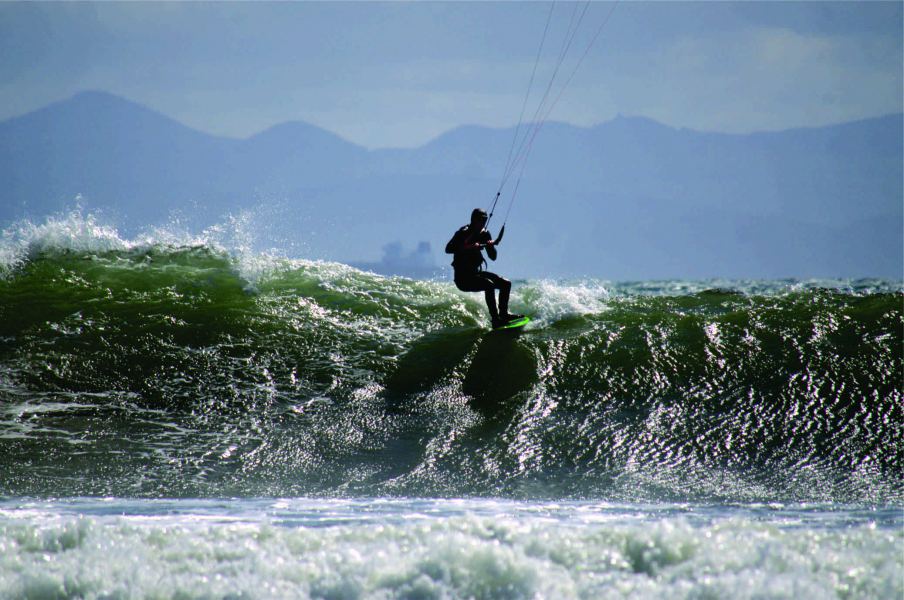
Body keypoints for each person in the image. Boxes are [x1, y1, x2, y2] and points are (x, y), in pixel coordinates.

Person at [445, 208, 523, 328]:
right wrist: (467, 247)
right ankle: (495, 320)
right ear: (473, 220)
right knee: (489, 285)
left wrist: (490, 246)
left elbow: (493, 257)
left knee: (505, 284)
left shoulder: (484, 234)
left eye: (485, 220)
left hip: (476, 274)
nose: (483, 223)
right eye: (480, 220)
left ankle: (504, 314)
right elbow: (448, 249)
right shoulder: (463, 232)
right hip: (463, 279)